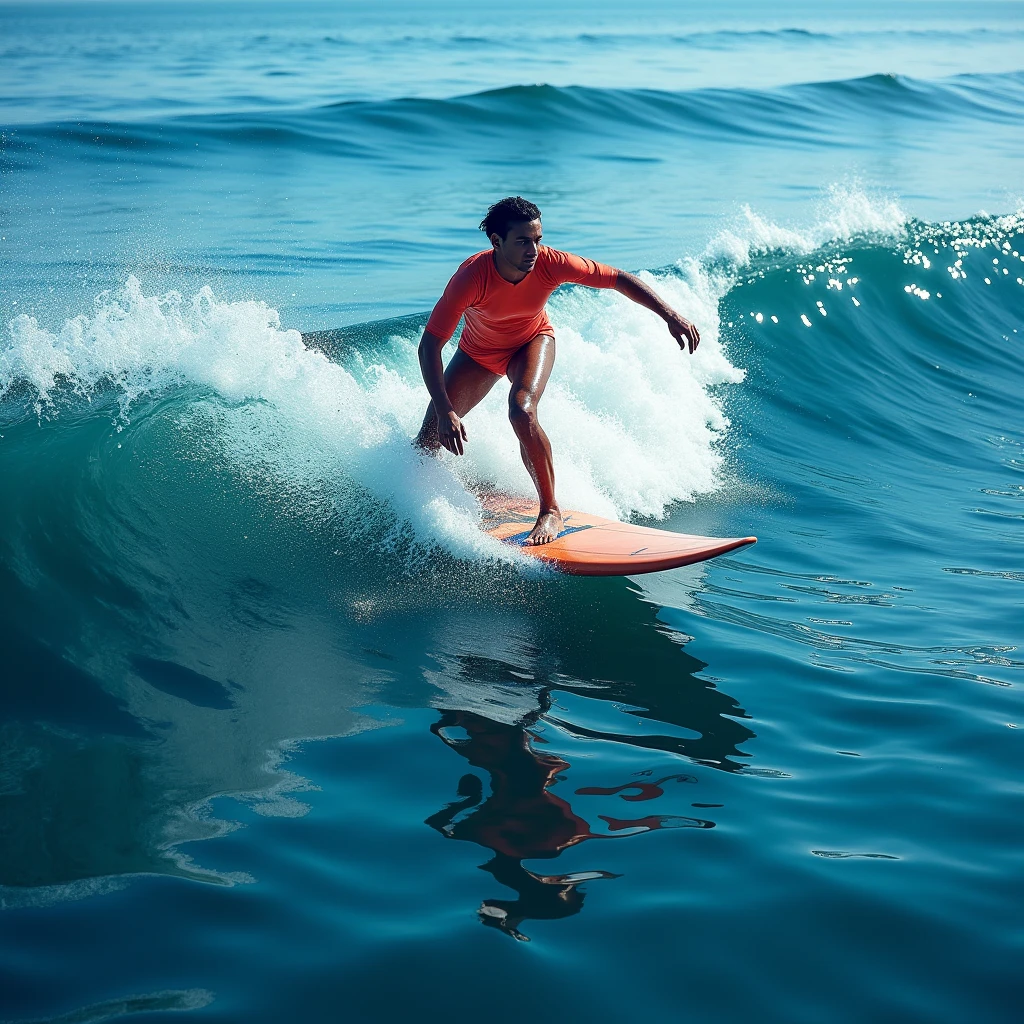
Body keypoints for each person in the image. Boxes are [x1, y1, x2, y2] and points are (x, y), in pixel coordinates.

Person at [415, 196, 701, 546]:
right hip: (478, 354)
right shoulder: (470, 278)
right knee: (427, 440)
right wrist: (445, 410)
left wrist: (670, 315)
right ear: (496, 242)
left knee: (522, 410)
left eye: (537, 239)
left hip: (531, 341)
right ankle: (429, 499)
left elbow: (618, 279)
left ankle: (550, 510)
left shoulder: (552, 263)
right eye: (523, 241)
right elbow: (430, 346)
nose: (534, 249)